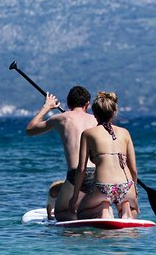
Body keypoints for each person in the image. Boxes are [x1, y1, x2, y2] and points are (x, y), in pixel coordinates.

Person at [25, 86, 98, 221]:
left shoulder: (60, 118)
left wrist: (47, 107)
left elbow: (30, 129)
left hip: (75, 174)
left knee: (61, 212)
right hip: (98, 174)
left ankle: (76, 219)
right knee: (91, 207)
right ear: (87, 104)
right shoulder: (97, 120)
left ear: (69, 104)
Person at [69, 91, 139, 220]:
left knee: (81, 213)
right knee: (135, 212)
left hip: (103, 187)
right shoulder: (125, 133)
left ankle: (103, 208)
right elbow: (133, 169)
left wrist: (74, 198)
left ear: (94, 114)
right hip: (126, 186)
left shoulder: (88, 134)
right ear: (114, 112)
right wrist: (134, 193)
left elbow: (81, 169)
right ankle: (126, 207)